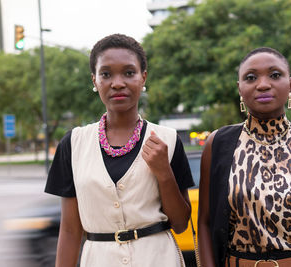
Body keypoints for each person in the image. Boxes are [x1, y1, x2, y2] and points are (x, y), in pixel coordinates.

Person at [45, 34, 194, 267]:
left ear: (143, 77)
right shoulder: (73, 144)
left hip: (158, 259)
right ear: (94, 80)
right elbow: (71, 230)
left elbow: (181, 223)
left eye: (128, 72)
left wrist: (164, 173)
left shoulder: (168, 140)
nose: (117, 83)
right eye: (106, 74)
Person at [198, 47, 291, 267]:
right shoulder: (218, 144)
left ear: (290, 85)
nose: (263, 84)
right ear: (240, 88)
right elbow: (205, 224)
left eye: (275, 75)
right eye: (251, 77)